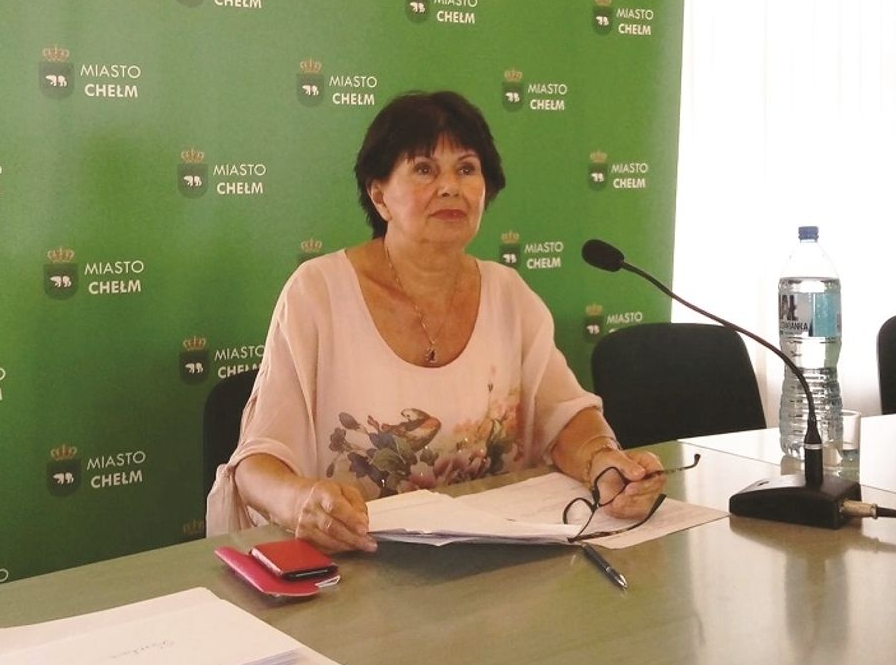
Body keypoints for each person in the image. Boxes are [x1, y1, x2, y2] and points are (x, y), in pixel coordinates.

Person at [206, 90, 665, 551]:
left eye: (466, 169)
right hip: (357, 562)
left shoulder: (509, 294)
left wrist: (603, 462)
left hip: (493, 563)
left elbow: (566, 418)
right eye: (425, 169)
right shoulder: (318, 293)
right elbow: (257, 466)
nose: (450, 187)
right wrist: (299, 501)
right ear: (379, 195)